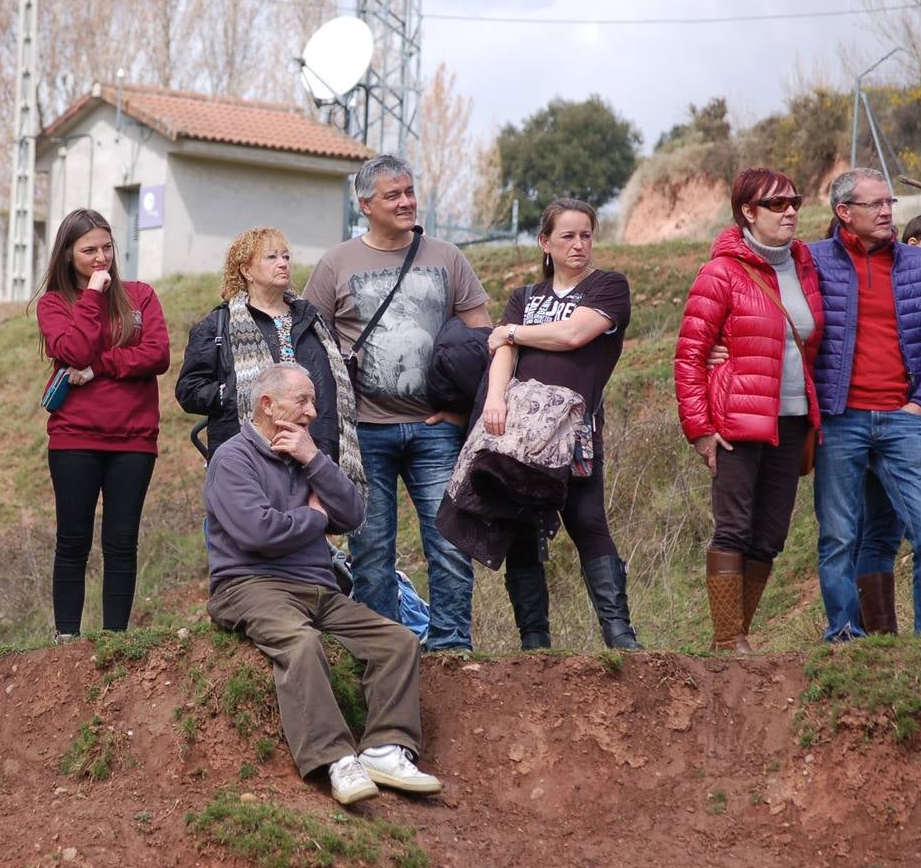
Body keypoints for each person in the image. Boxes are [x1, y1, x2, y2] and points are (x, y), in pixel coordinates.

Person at [205, 362, 442, 805]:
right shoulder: (232, 458)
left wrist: (314, 459)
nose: (313, 411)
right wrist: (314, 517)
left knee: (398, 641)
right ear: (268, 405)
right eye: (303, 401)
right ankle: (334, 757)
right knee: (301, 644)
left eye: (313, 401)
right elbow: (258, 532)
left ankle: (384, 748)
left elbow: (353, 515)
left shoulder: (306, 454)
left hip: (318, 589)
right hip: (250, 584)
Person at [305, 154, 491, 652]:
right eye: (393, 195)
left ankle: (452, 647)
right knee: (371, 552)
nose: (407, 201)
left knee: (450, 542)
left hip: (436, 430)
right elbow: (307, 349)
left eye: (409, 191)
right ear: (365, 204)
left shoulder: (448, 257)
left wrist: (462, 412)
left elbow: (485, 342)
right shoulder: (335, 265)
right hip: (365, 433)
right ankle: (384, 652)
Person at [674, 168, 823, 651]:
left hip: (794, 418)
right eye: (777, 204)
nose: (791, 212)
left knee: (771, 536)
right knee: (734, 528)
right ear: (747, 212)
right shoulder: (721, 272)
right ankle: (727, 641)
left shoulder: (804, 266)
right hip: (738, 421)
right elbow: (690, 355)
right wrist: (699, 429)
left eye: (794, 202)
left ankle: (740, 634)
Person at [482, 199, 641, 651]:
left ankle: (620, 636)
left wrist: (511, 332)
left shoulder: (608, 287)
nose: (579, 244)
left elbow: (573, 334)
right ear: (545, 243)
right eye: (567, 236)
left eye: (586, 235)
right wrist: (495, 398)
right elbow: (503, 357)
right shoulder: (526, 296)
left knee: (587, 520)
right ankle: (535, 644)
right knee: (521, 524)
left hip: (575, 428)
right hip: (520, 429)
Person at [809, 169, 921, 640]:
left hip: (904, 419)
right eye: (876, 204)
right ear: (845, 212)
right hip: (840, 420)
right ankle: (843, 634)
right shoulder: (812, 260)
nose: (888, 211)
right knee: (838, 537)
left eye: (890, 201)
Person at [35, 208, 169, 641]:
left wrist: (101, 368)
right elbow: (73, 351)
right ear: (68, 255)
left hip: (134, 438)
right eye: (88, 250)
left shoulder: (141, 295)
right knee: (73, 540)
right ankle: (67, 638)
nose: (100, 258)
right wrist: (92, 294)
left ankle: (115, 638)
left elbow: (158, 355)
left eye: (106, 248)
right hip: (75, 437)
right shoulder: (55, 303)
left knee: (121, 539)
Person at [176, 226, 361, 488]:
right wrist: (232, 393)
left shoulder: (312, 320)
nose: (283, 263)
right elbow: (189, 389)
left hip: (315, 451)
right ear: (246, 270)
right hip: (249, 457)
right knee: (257, 525)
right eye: (271, 257)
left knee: (315, 525)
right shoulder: (219, 324)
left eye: (285, 257)